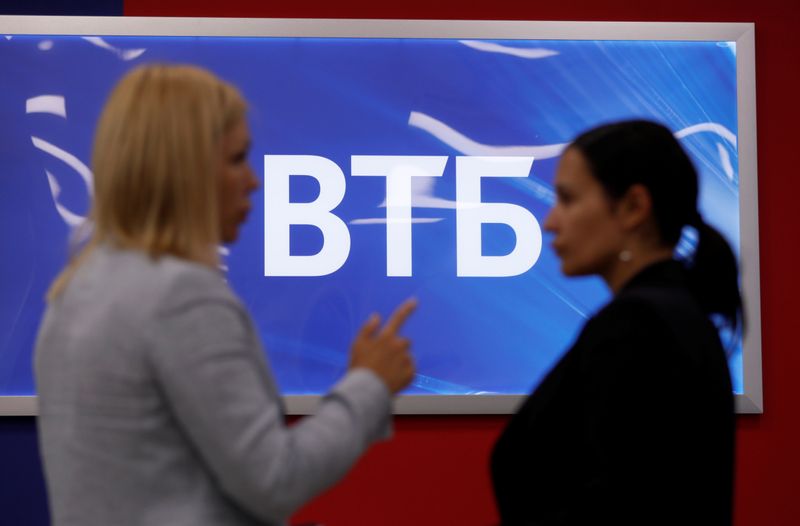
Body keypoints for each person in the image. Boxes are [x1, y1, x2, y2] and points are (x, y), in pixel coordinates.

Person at [34, 64, 416, 526]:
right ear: (185, 170)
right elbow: (277, 480)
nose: (253, 181)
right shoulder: (181, 297)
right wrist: (369, 385)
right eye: (237, 160)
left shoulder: (75, 292)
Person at [491, 120, 740, 525]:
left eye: (568, 200)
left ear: (632, 207)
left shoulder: (636, 327)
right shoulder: (675, 315)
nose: (549, 222)